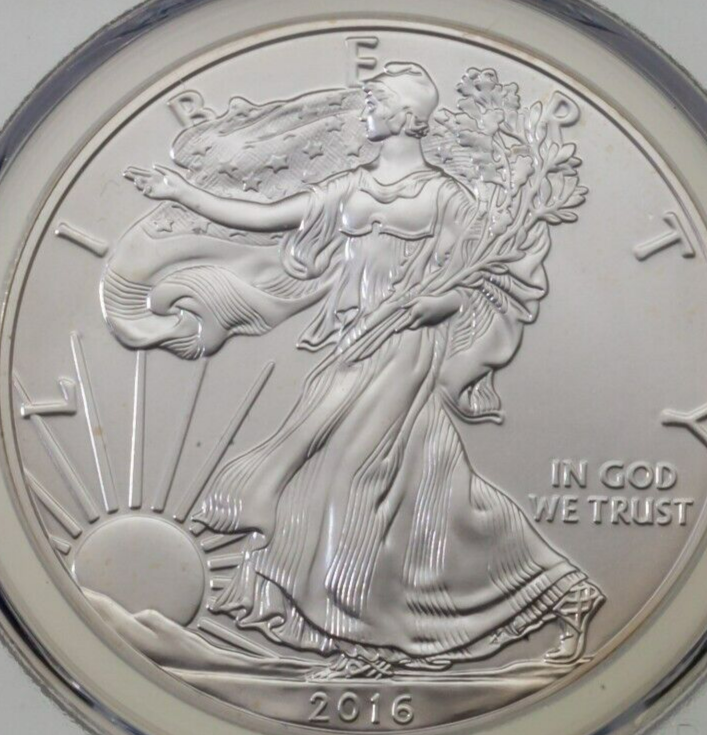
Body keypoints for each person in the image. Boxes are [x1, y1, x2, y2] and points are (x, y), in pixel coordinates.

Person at [124, 62, 603, 677]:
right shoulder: (351, 186)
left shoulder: (446, 197)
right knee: (433, 486)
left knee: (352, 478)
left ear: (405, 115)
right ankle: (559, 592)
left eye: (375, 101)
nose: (366, 111)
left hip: (408, 347)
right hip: (353, 344)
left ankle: (364, 640)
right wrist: (183, 194)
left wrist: (440, 303)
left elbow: (488, 279)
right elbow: (267, 216)